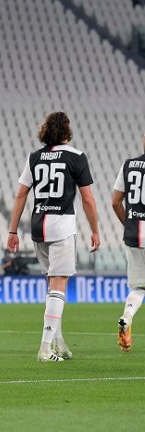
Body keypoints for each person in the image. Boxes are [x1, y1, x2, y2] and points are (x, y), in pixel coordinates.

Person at [7, 111, 100, 362]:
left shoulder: (35, 157)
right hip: (62, 228)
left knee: (53, 288)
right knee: (58, 287)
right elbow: (88, 198)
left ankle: (58, 343)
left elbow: (20, 195)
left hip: (38, 228)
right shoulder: (77, 157)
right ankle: (45, 349)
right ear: (67, 130)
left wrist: (13, 231)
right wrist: (95, 230)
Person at [112, 133, 145, 352]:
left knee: (139, 287)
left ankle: (127, 315)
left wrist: (129, 224)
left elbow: (115, 202)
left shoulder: (129, 165)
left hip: (135, 234)